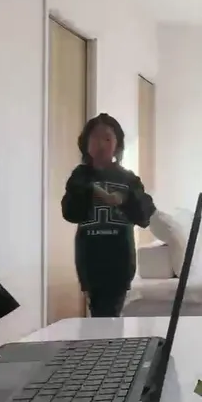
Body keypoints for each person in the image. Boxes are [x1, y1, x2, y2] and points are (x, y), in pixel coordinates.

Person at [61, 113, 156, 318]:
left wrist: (125, 198)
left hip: (120, 258)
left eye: (107, 138)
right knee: (99, 313)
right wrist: (93, 191)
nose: (101, 144)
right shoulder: (80, 176)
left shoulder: (128, 179)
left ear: (117, 144)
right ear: (85, 143)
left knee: (110, 314)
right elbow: (70, 212)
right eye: (95, 137)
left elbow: (145, 216)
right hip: (90, 258)